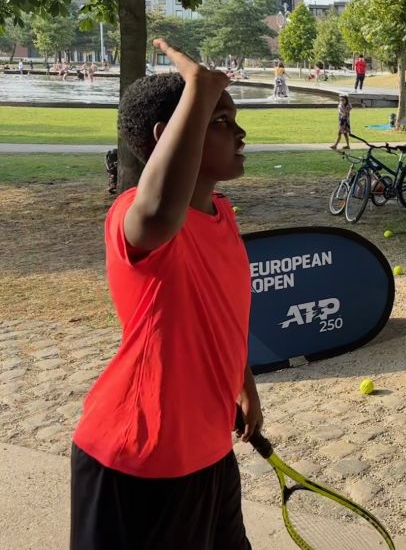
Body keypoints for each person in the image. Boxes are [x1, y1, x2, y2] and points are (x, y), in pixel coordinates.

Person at [70, 39, 262, 549]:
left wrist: (242, 382)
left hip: (207, 454)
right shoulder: (133, 213)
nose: (240, 133)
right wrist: (198, 91)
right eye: (221, 121)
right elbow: (158, 214)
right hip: (138, 460)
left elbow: (217, 313)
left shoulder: (223, 215)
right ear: (170, 136)